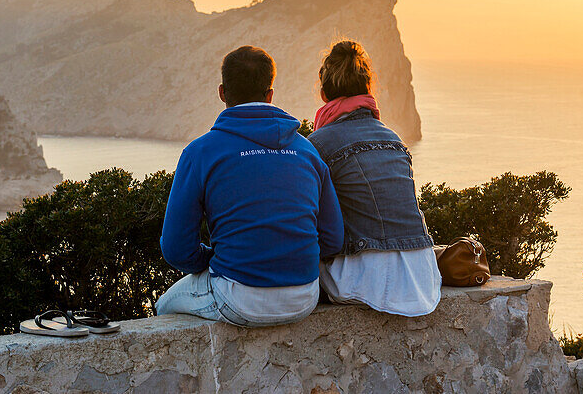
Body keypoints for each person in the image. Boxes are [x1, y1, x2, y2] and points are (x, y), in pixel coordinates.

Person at [156, 45, 344, 327]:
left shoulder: (200, 152)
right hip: (305, 295)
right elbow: (332, 239)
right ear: (270, 95)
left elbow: (176, 249)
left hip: (237, 296)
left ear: (222, 92)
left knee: (163, 306)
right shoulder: (307, 151)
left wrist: (214, 259)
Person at [306, 40, 441, 316]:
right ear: (368, 88)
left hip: (369, 280)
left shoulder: (317, 144)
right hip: (424, 276)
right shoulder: (394, 140)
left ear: (323, 94)